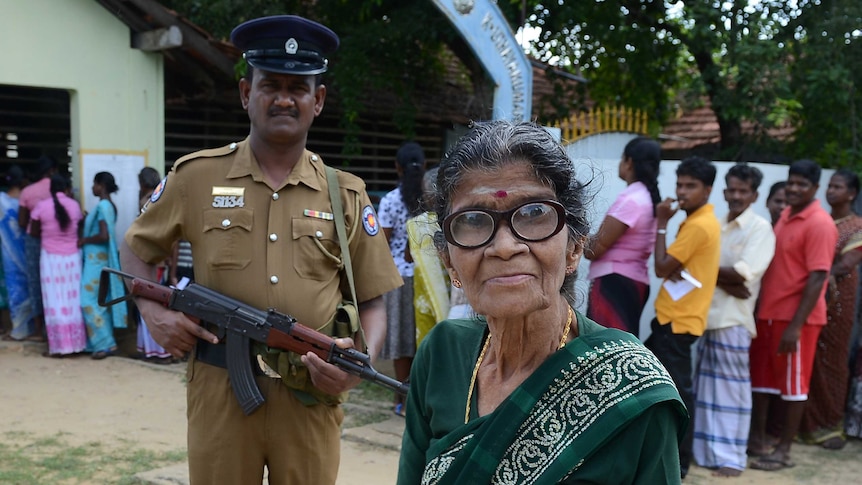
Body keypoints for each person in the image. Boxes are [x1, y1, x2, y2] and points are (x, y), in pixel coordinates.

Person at [119, 15, 402, 484]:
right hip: (220, 391)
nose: (285, 98)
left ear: (319, 101)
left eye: (299, 87)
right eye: (271, 85)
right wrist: (152, 310)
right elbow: (136, 250)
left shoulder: (346, 195)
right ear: (247, 94)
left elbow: (374, 298)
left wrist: (359, 364)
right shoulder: (195, 177)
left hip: (310, 395)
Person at [397, 120, 687, 484]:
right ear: (449, 261)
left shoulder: (632, 391)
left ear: (574, 248)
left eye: (534, 214)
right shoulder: (442, 354)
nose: (504, 248)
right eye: (472, 220)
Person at [748, 159, 838, 471]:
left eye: (803, 184)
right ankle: (759, 441)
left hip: (796, 320)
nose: (795, 188)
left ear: (816, 188)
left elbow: (818, 278)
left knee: (794, 385)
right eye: (792, 182)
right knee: (762, 381)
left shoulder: (820, 223)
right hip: (769, 314)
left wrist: (796, 326)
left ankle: (784, 451)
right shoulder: (786, 214)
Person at [691, 163, 775, 477]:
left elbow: (743, 275)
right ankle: (707, 453)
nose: (736, 196)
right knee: (707, 391)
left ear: (754, 195)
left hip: (734, 321)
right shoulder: (717, 223)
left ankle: (731, 457)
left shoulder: (759, 228)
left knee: (732, 393)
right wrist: (726, 279)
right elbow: (733, 280)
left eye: (743, 191)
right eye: (732, 190)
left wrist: (708, 272)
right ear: (724, 191)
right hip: (706, 317)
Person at [649, 156, 721, 479]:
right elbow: (674, 268)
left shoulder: (699, 225)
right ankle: (666, 454)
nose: (682, 192)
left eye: (691, 186)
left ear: (707, 190)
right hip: (670, 319)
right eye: (679, 184)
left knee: (679, 392)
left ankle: (680, 463)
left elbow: (662, 266)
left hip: (678, 323)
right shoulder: (696, 221)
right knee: (658, 385)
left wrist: (661, 221)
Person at [798, 169, 862, 450]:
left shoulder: (857, 226)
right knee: (808, 360)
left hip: (838, 300)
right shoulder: (820, 220)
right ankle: (804, 424)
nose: (831, 191)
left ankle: (828, 424)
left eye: (838, 187)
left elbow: (847, 264)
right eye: (830, 186)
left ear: (852, 193)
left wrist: (821, 273)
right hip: (811, 295)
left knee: (832, 361)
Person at [585, 136, 661, 334]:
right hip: (632, 281)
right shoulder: (647, 197)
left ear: (629, 163)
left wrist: (577, 237)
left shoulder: (631, 199)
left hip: (615, 282)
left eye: (622, 158)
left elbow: (595, 249)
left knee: (606, 345)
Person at [379, 141, 426, 417]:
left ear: (397, 168)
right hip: (429, 280)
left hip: (397, 279)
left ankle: (402, 400)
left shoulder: (390, 202)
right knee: (423, 340)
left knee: (401, 343)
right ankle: (419, 401)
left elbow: (380, 245)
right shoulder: (433, 199)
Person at [30, 174, 86, 357]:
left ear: (50, 189)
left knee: (54, 301)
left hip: (50, 259)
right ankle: (76, 344)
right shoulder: (74, 206)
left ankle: (59, 346)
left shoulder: (41, 207)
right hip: (72, 260)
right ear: (67, 188)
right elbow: (79, 227)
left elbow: (34, 232)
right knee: (72, 301)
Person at [79, 171, 127, 359]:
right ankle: (100, 343)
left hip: (96, 262)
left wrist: (84, 240)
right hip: (100, 261)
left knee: (87, 301)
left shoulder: (104, 206)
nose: (92, 187)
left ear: (101, 185)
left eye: (94, 183)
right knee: (100, 302)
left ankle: (106, 343)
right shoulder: (108, 206)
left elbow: (103, 236)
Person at [406, 167, 450, 347]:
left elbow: (409, 257)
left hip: (424, 294)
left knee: (427, 342)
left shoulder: (419, 224)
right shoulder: (457, 221)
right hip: (452, 300)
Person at [134, 167, 173, 363]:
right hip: (160, 262)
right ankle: (159, 351)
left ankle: (156, 351)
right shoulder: (163, 199)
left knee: (149, 307)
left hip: (149, 262)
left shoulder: (147, 202)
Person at [17, 155, 57, 342]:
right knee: (55, 283)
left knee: (35, 283)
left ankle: (39, 330)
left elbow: (22, 221)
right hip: (57, 241)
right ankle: (55, 329)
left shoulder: (27, 192)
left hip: (33, 241)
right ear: (51, 171)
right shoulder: (59, 188)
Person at [0, 166, 36, 341]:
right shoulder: (27, 201)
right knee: (28, 289)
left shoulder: (1, 200)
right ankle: (27, 329)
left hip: (8, 255)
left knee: (14, 290)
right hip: (27, 253)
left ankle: (19, 330)